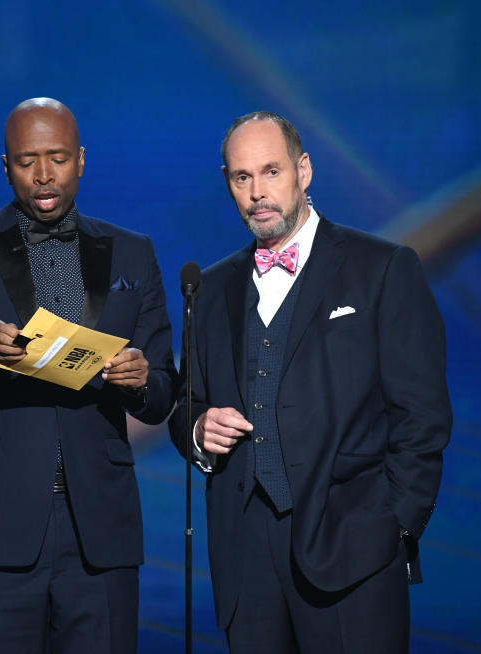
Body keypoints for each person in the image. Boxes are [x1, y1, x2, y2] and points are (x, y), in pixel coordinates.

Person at [0, 97, 176, 653]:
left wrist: (141, 379)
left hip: (98, 530)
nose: (44, 175)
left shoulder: (133, 253)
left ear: (81, 160)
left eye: (57, 158)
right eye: (28, 161)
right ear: (5, 166)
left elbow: (163, 393)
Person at [168, 111, 452, 653]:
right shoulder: (209, 289)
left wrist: (395, 527)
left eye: (271, 172)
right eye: (241, 177)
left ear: (304, 171)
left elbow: (422, 416)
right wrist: (200, 428)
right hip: (246, 557)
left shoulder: (382, 269)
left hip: (356, 548)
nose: (258, 192)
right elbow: (187, 406)